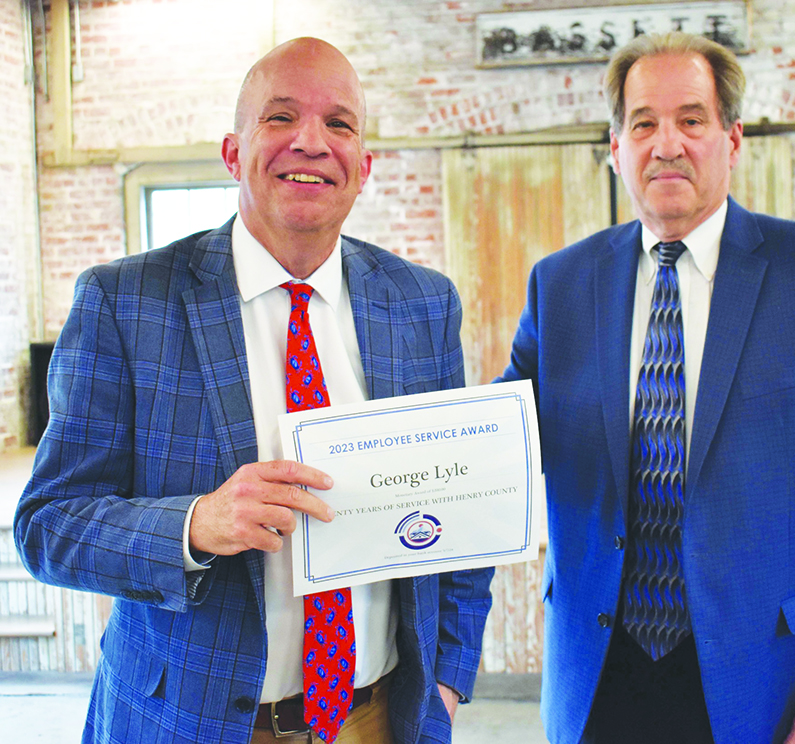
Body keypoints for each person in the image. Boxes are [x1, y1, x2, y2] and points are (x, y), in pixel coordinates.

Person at [15, 38, 492, 744]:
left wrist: (449, 679)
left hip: (377, 719)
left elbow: (462, 508)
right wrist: (194, 525)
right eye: (280, 117)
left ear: (364, 167)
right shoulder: (126, 301)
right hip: (191, 722)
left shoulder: (423, 305)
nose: (310, 141)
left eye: (339, 124)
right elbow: (47, 525)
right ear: (233, 153)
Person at [499, 31, 795, 744]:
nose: (667, 144)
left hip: (768, 678)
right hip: (600, 676)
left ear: (733, 138)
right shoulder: (562, 286)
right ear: (614, 148)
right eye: (644, 123)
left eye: (691, 120)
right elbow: (497, 443)